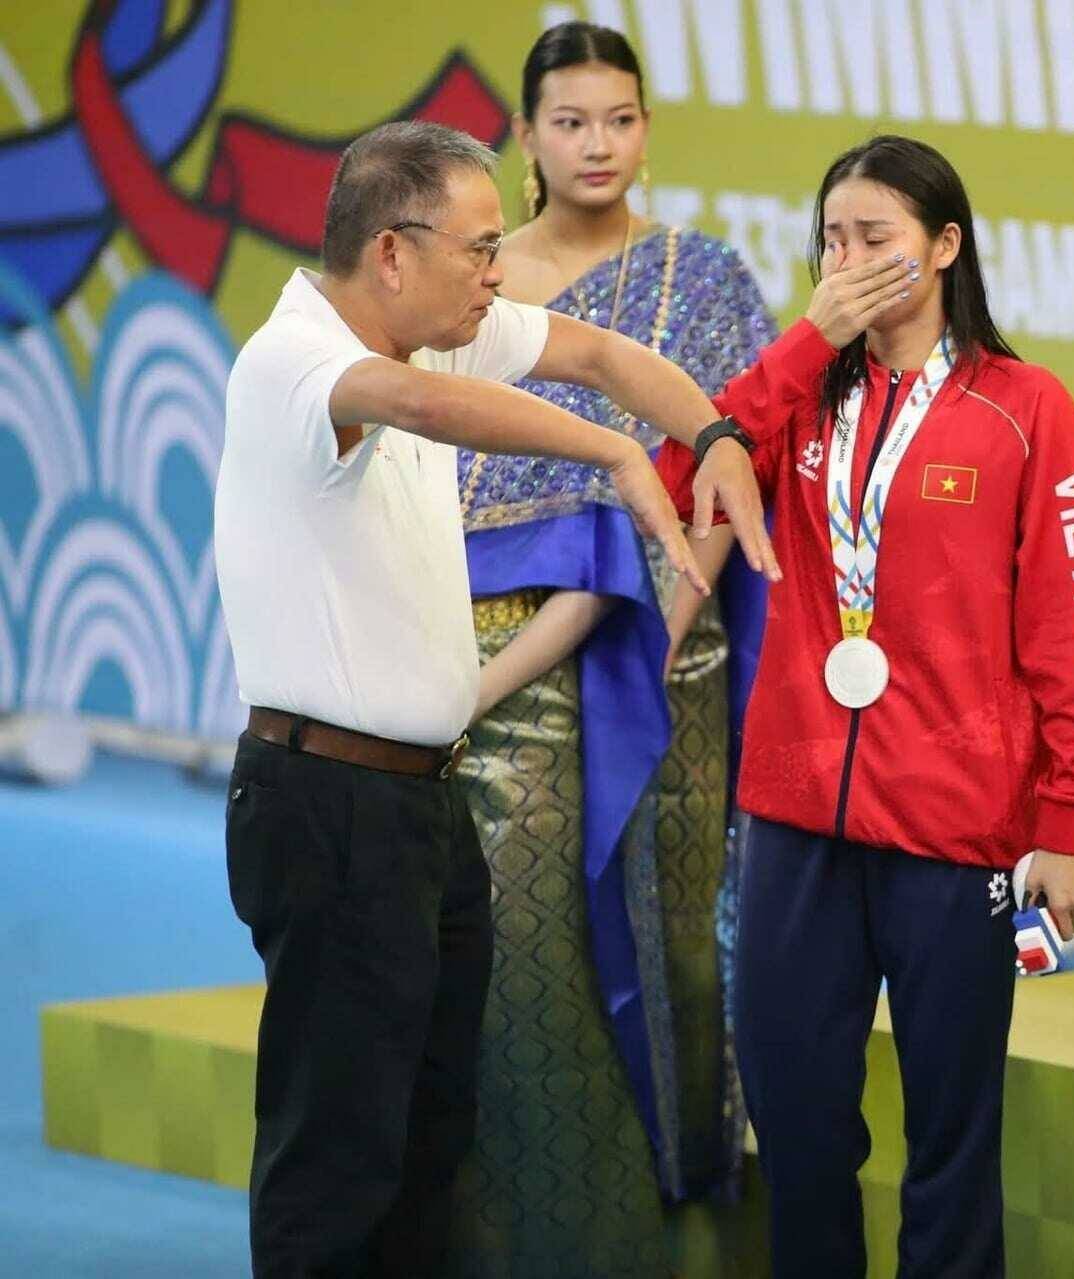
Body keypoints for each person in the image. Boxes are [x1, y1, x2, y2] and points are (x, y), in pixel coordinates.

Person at [212, 119, 772, 1279]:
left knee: (432, 1137)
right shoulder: (297, 361)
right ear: (391, 252)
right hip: (328, 804)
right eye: (478, 249)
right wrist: (616, 457)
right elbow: (419, 408)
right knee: (337, 1154)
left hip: (428, 803)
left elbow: (606, 359)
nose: (498, 273)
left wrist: (711, 434)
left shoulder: (437, 334)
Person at [656, 134, 1074, 1278]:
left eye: (876, 237)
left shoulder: (1026, 410)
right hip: (796, 824)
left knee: (951, 1153)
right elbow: (682, 491)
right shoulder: (797, 400)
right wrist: (801, 345)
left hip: (953, 833)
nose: (850, 260)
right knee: (799, 1132)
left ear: (946, 246)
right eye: (832, 240)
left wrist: (1072, 818)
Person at [440, 22, 779, 1277]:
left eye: (621, 119)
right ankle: (527, 1235)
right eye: (571, 121)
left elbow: (733, 471)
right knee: (519, 952)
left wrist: (664, 617)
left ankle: (689, 1230)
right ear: (524, 135)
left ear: (647, 129)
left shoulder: (704, 279)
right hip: (492, 666)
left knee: (675, 942)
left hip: (667, 661)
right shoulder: (471, 285)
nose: (599, 144)